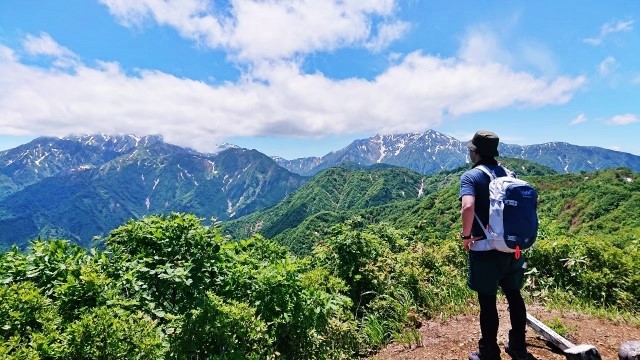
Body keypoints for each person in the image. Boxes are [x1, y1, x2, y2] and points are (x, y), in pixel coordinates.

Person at [459, 130, 531, 360]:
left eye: (471, 149)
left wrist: (466, 236)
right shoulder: (510, 174)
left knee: (487, 302)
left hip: (485, 249)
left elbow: (467, 207)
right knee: (514, 297)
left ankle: (489, 351)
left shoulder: (471, 177)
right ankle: (518, 346)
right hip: (512, 248)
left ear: (476, 152)